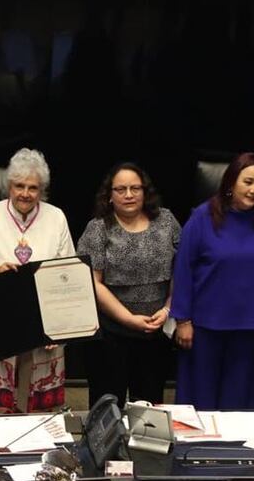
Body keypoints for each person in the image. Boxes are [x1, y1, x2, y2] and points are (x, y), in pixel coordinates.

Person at [0, 148, 75, 413]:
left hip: (42, 317)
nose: (25, 193)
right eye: (19, 186)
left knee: (36, 406)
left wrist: (59, 327)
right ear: (9, 186)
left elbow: (67, 272)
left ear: (42, 189)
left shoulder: (56, 216)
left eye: (33, 188)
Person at [172, 153, 254, 410]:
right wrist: (182, 320)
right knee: (201, 404)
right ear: (231, 182)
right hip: (205, 327)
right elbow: (183, 268)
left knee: (239, 403)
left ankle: (235, 452)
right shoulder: (203, 217)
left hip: (248, 329)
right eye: (248, 182)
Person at [76, 163, 180, 408]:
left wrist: (167, 309)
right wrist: (127, 318)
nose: (129, 194)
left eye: (135, 188)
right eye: (120, 189)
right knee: (106, 409)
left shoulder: (166, 221)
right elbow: (93, 282)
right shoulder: (98, 228)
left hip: (156, 332)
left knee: (148, 411)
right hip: (110, 334)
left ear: (145, 192)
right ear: (109, 196)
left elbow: (183, 269)